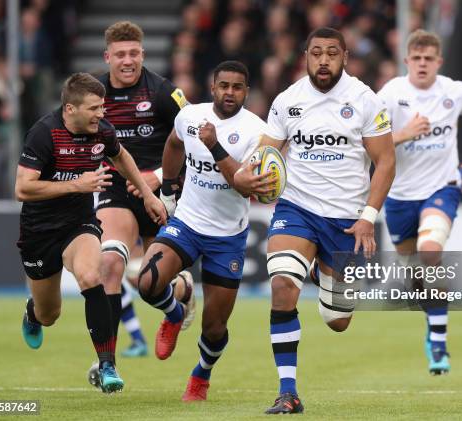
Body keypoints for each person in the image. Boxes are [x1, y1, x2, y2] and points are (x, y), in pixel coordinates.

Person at [234, 27, 395, 414]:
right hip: (296, 210)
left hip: (346, 219)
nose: (324, 61)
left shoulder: (364, 100)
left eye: (332, 53)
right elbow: (266, 151)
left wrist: (368, 218)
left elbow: (386, 162)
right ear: (305, 55)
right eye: (317, 53)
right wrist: (247, 173)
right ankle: (287, 391)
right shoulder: (288, 100)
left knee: (337, 320)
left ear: (345, 57)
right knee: (283, 285)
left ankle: (323, 273)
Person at [16, 72, 167, 393]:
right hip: (39, 232)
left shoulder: (103, 130)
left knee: (91, 276)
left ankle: (107, 364)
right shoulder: (43, 134)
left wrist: (149, 194)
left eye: (103, 107)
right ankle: (33, 313)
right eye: (95, 108)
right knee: (49, 314)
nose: (102, 113)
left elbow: (121, 155)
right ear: (70, 109)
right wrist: (76, 184)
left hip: (78, 224)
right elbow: (23, 188)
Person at [134, 60, 271, 401]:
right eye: (223, 86)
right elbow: (174, 145)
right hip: (187, 223)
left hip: (227, 239)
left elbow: (243, 186)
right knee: (147, 283)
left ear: (246, 92)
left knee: (214, 326)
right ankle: (175, 312)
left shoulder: (256, 131)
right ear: (213, 87)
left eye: (237, 87)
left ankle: (201, 375)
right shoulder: (190, 116)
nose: (229, 93)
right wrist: (167, 190)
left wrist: (214, 145)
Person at [376, 29, 462, 374]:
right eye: (417, 58)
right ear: (406, 61)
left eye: (429, 58)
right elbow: (369, 141)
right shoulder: (390, 94)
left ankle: (439, 344)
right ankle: (432, 322)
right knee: (414, 276)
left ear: (439, 62)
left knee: (431, 251)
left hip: (442, 187)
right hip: (399, 196)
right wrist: (403, 134)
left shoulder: (455, 92)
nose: (423, 64)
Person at [95, 21, 194, 359]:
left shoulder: (163, 92)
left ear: (143, 54)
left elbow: (197, 140)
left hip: (162, 193)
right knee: (109, 264)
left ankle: (182, 295)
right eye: (120, 54)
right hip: (116, 191)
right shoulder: (95, 94)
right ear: (108, 56)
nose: (128, 60)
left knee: (149, 283)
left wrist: (159, 174)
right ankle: (107, 363)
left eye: (134, 53)